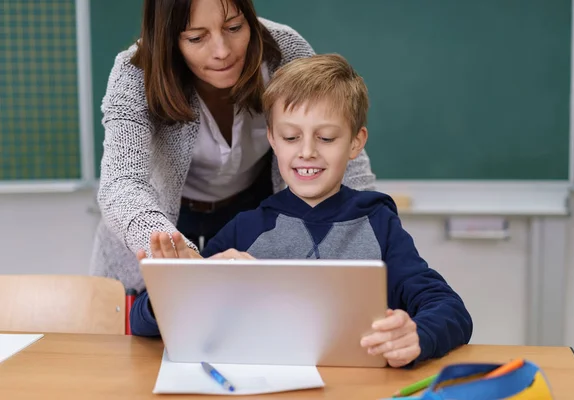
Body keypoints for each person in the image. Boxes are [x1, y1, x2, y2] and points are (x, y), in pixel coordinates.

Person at [130, 54, 473, 368]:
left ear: (355, 142)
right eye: (291, 137)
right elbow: (142, 322)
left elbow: (452, 311)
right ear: (273, 140)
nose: (307, 152)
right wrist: (181, 284)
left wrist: (418, 336)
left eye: (325, 138)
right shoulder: (245, 230)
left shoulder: (378, 224)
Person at [89, 0, 376, 293]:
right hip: (163, 218)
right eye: (197, 38)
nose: (222, 51)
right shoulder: (135, 71)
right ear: (167, 38)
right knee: (150, 320)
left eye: (234, 27)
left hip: (251, 209)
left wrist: (368, 230)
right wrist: (169, 246)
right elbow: (121, 183)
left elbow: (339, 143)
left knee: (261, 312)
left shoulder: (283, 51)